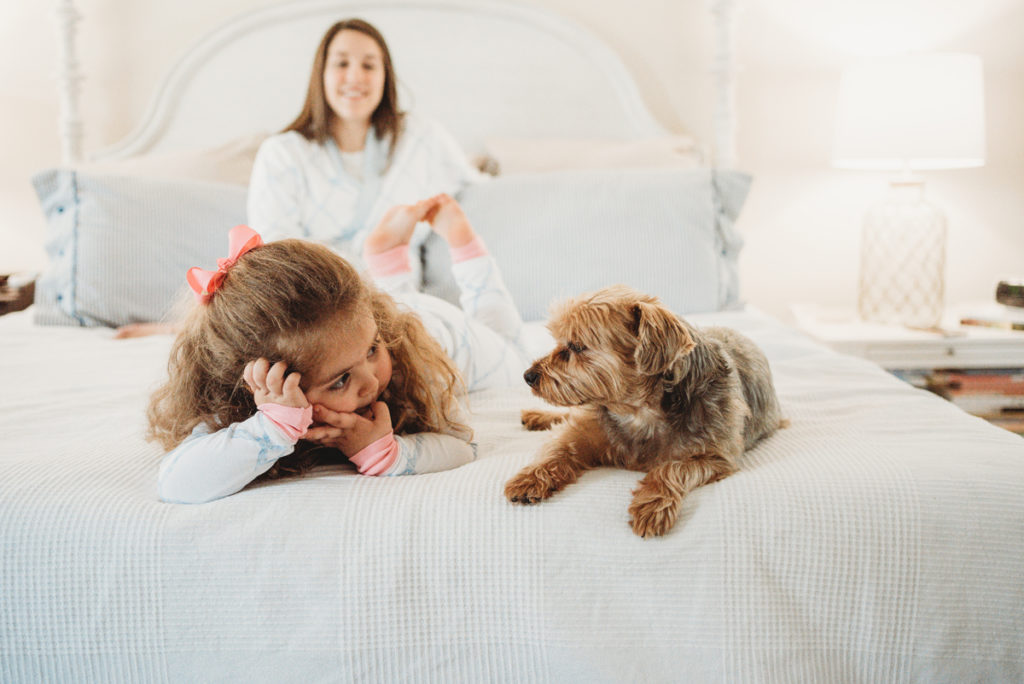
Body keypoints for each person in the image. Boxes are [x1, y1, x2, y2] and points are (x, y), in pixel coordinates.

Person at [149, 194, 527, 504]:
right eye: (340, 380)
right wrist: (271, 428)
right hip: (367, 325)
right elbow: (175, 484)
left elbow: (463, 445)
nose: (372, 380)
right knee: (384, 315)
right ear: (269, 383)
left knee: (512, 346)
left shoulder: (413, 363)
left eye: (372, 352)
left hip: (446, 335)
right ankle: (391, 268)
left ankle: (460, 250)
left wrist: (389, 452)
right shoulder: (251, 403)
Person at [247, 17, 482, 276]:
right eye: (341, 63)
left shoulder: (421, 138)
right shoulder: (281, 154)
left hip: (401, 302)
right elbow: (275, 258)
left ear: (385, 76)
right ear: (321, 74)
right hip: (319, 303)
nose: (355, 77)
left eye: (369, 65)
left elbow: (475, 187)